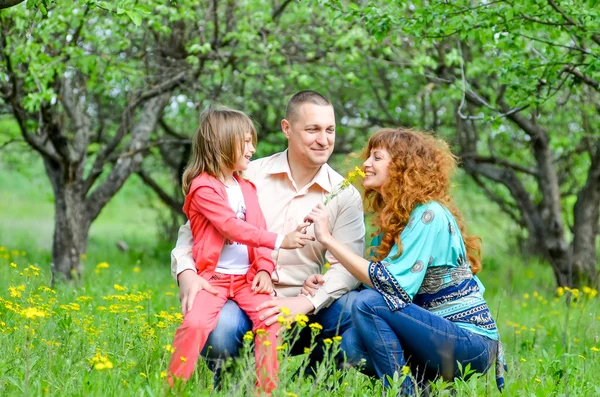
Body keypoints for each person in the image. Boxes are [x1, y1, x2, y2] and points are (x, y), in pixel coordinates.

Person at [170, 91, 366, 382]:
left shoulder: (344, 194)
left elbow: (347, 269)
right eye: (312, 129)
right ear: (287, 129)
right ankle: (231, 381)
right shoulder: (249, 175)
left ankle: (311, 379)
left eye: (330, 130)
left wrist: (304, 303)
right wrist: (185, 271)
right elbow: (196, 229)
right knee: (222, 330)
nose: (323, 140)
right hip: (242, 293)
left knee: (361, 309)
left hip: (305, 304)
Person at [304, 128, 506, 395]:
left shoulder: (429, 214)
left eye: (377, 158)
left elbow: (390, 287)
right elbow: (372, 286)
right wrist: (323, 282)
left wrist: (328, 239)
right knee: (349, 341)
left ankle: (403, 392)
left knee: (367, 305)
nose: (365, 164)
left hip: (469, 343)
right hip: (430, 337)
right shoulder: (393, 223)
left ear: (402, 167)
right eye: (368, 157)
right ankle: (421, 389)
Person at [167, 107, 315, 393]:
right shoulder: (203, 187)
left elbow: (256, 226)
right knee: (195, 324)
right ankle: (174, 388)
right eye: (245, 142)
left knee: (269, 324)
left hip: (246, 279)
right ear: (223, 142)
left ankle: (264, 390)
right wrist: (280, 240)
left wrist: (264, 268)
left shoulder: (245, 186)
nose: (252, 148)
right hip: (213, 280)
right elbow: (231, 227)